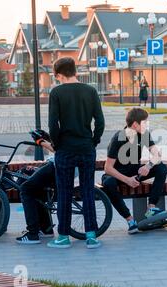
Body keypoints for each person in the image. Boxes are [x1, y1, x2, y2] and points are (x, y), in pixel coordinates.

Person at [48, 57, 105, 249]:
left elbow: (52, 124)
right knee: (88, 190)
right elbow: (100, 121)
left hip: (65, 149)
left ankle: (63, 236)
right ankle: (91, 236)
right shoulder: (90, 91)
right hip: (86, 148)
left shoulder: (56, 93)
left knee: (64, 192)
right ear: (74, 71)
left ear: (58, 75)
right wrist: (94, 141)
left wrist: (56, 144)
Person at [102, 108, 167, 234]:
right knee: (108, 183)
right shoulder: (119, 138)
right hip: (117, 174)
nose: (147, 125)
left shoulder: (144, 134)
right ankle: (130, 220)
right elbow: (108, 168)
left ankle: (151, 208)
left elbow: (157, 155)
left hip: (134, 172)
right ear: (135, 124)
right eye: (145, 122)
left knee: (161, 168)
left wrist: (148, 166)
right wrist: (127, 180)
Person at [16, 133, 56, 245]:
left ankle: (32, 233)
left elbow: (58, 148)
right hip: (59, 165)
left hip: (56, 166)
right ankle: (46, 228)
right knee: (37, 188)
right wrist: (47, 137)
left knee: (25, 189)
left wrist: (40, 141)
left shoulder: (64, 122)